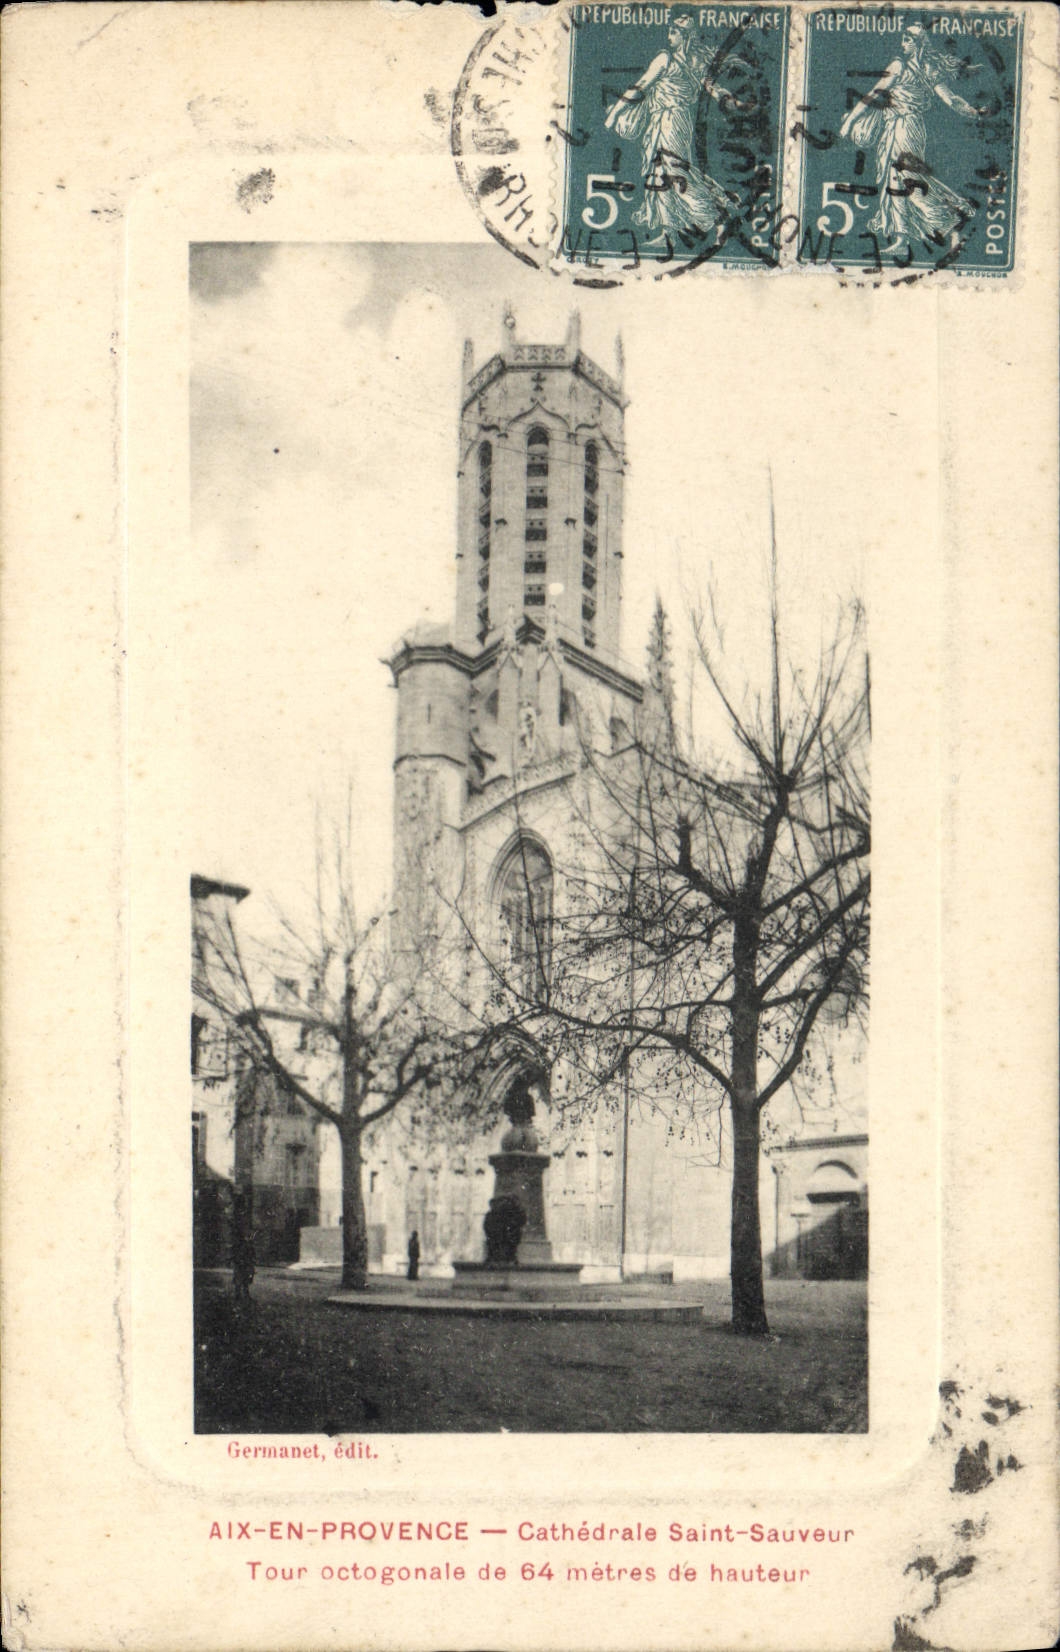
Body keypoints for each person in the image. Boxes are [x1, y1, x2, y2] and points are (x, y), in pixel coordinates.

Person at [838, 24, 984, 254]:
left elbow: (872, 95)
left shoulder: (903, 66)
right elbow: (951, 99)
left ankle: (949, 221)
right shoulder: (927, 68)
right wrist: (974, 112)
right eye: (902, 39)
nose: (902, 44)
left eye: (907, 40)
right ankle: (902, 238)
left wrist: (848, 122)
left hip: (905, 128)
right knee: (894, 179)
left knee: (907, 178)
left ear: (918, 43)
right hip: (900, 126)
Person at [604, 15, 738, 246]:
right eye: (669, 31)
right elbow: (713, 88)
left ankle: (719, 217)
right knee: (658, 172)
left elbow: (640, 87)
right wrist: (724, 97)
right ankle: (669, 232)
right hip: (667, 120)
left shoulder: (666, 59)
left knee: (678, 174)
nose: (669, 36)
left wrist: (615, 113)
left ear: (685, 36)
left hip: (671, 121)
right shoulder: (694, 61)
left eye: (674, 32)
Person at [230, 1192, 255, 1308]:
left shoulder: (236, 1216)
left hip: (238, 1248)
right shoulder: (240, 1217)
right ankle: (242, 1293)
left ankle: (239, 1293)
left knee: (239, 1271)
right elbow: (243, 1232)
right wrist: (248, 1238)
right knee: (244, 1270)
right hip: (242, 1247)